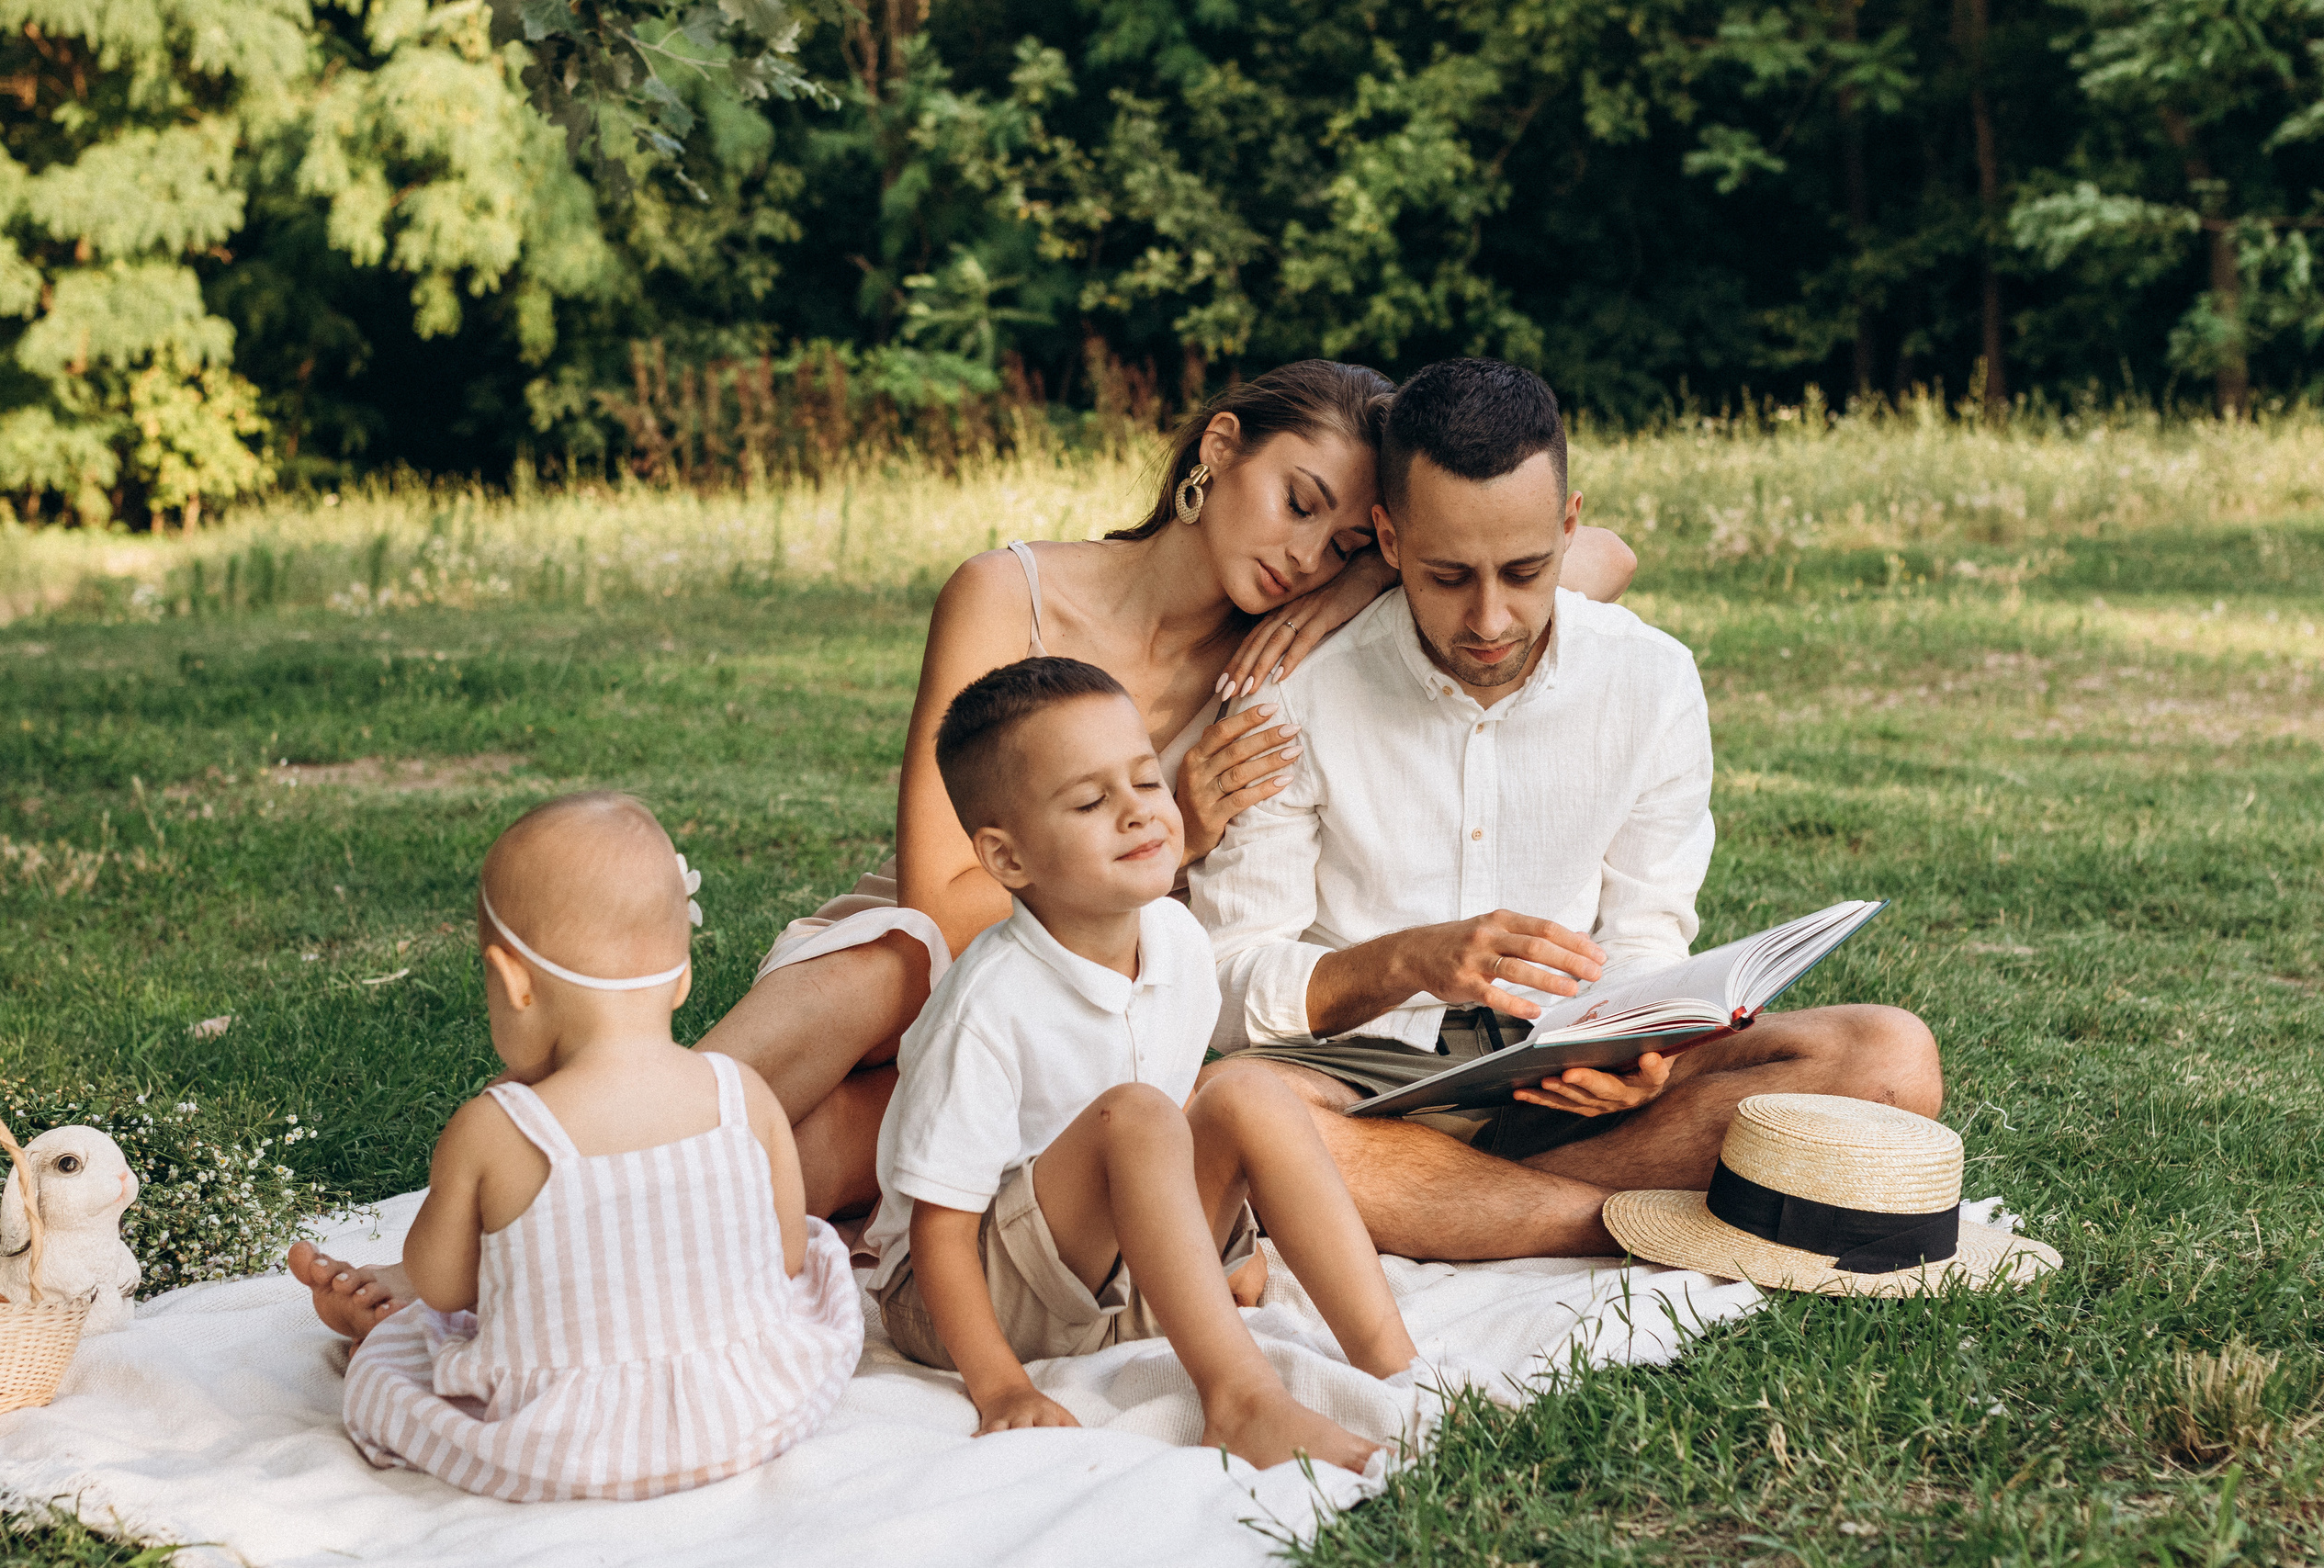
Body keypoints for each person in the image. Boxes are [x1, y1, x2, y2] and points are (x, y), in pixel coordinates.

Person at [698, 361, 1639, 1227]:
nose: (1305, 556)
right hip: (932, 941)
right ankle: (634, 1130)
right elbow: (940, 905)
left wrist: (1356, 589)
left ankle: (641, 1211)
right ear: (1218, 447)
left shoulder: (1279, 655)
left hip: (1091, 994)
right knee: (884, 969)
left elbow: (1598, 552)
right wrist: (1177, 828)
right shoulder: (1007, 594)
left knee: (863, 1135)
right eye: (1297, 504)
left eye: (1345, 542)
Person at [1189, 359, 1944, 1262]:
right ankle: (1610, 1219)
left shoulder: (1649, 678)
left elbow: (1645, 935)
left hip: (1565, 1073)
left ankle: (1442, 1203)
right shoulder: (1293, 694)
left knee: (1888, 1056)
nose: (1490, 618)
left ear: (1569, 525)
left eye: (1524, 570)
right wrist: (1406, 961)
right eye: (1446, 576)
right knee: (1229, 1111)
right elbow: (1229, 982)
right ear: (1387, 540)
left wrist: (1641, 1050)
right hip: (1363, 1076)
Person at [866, 657, 1416, 1472]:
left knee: (1247, 1092)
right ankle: (1242, 1400)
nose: (1139, 814)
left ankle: (1398, 1367)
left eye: (1147, 781)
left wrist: (1226, 1245)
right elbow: (938, 1232)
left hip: (1110, 1271)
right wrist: (1001, 1387)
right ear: (1008, 858)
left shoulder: (1177, 941)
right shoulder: (988, 1003)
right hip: (964, 1295)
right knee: (1139, 1110)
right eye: (1091, 801)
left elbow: (1172, 1137)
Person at [290, 793, 863, 1501]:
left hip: (564, 1439)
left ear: (512, 981)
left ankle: (372, 1337)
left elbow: (438, 1285)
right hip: (744, 1411)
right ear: (683, 975)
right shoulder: (740, 1091)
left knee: (399, 1362)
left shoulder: (497, 1126)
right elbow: (784, 1256)